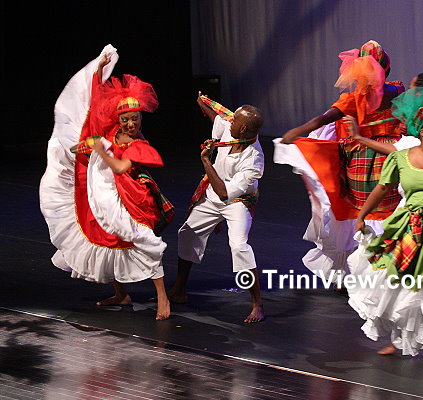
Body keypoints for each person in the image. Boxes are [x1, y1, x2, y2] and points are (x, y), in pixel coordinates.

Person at [40, 46, 173, 320]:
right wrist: (99, 71)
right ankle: (121, 294)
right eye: (125, 119)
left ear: (140, 118)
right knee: (106, 238)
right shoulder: (112, 132)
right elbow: (97, 102)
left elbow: (121, 167)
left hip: (130, 198)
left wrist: (101, 150)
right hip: (104, 193)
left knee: (142, 240)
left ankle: (163, 297)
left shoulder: (139, 145)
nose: (131, 123)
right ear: (118, 120)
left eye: (135, 118)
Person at [346, 87, 423, 367]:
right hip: (409, 227)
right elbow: (382, 187)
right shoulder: (400, 158)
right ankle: (398, 338)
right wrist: (362, 214)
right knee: (401, 286)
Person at [275, 40, 406, 284]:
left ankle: (345, 272)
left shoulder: (354, 99)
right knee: (385, 213)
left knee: (355, 214)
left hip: (362, 165)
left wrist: (297, 131)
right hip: (389, 160)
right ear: (386, 69)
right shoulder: (397, 92)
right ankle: (382, 273)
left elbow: (323, 119)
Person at [167, 93, 265, 323]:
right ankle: (179, 290)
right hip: (212, 195)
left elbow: (224, 193)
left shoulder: (254, 160)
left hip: (237, 202)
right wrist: (202, 102)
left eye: (235, 120)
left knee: (239, 246)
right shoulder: (233, 130)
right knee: (187, 233)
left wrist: (205, 161)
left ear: (243, 129)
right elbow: (217, 118)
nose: (230, 121)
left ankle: (257, 304)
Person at [349, 73, 423, 155]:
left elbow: (396, 149)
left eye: (411, 88)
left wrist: (358, 137)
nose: (407, 92)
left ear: (420, 92)